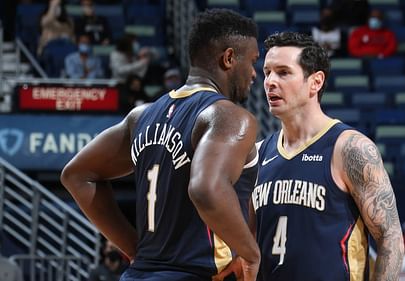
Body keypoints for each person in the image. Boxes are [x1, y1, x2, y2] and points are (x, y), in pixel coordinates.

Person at [60, 8, 261, 281]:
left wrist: (134, 250)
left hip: (139, 275)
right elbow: (206, 190)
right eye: (252, 62)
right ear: (228, 58)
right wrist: (250, 253)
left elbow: (76, 175)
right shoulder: (229, 117)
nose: (254, 74)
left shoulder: (142, 115)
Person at [216, 31, 404, 281]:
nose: (270, 81)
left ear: (315, 82)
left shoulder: (349, 148)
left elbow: (391, 238)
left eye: (283, 72)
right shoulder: (258, 153)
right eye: (267, 72)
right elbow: (249, 242)